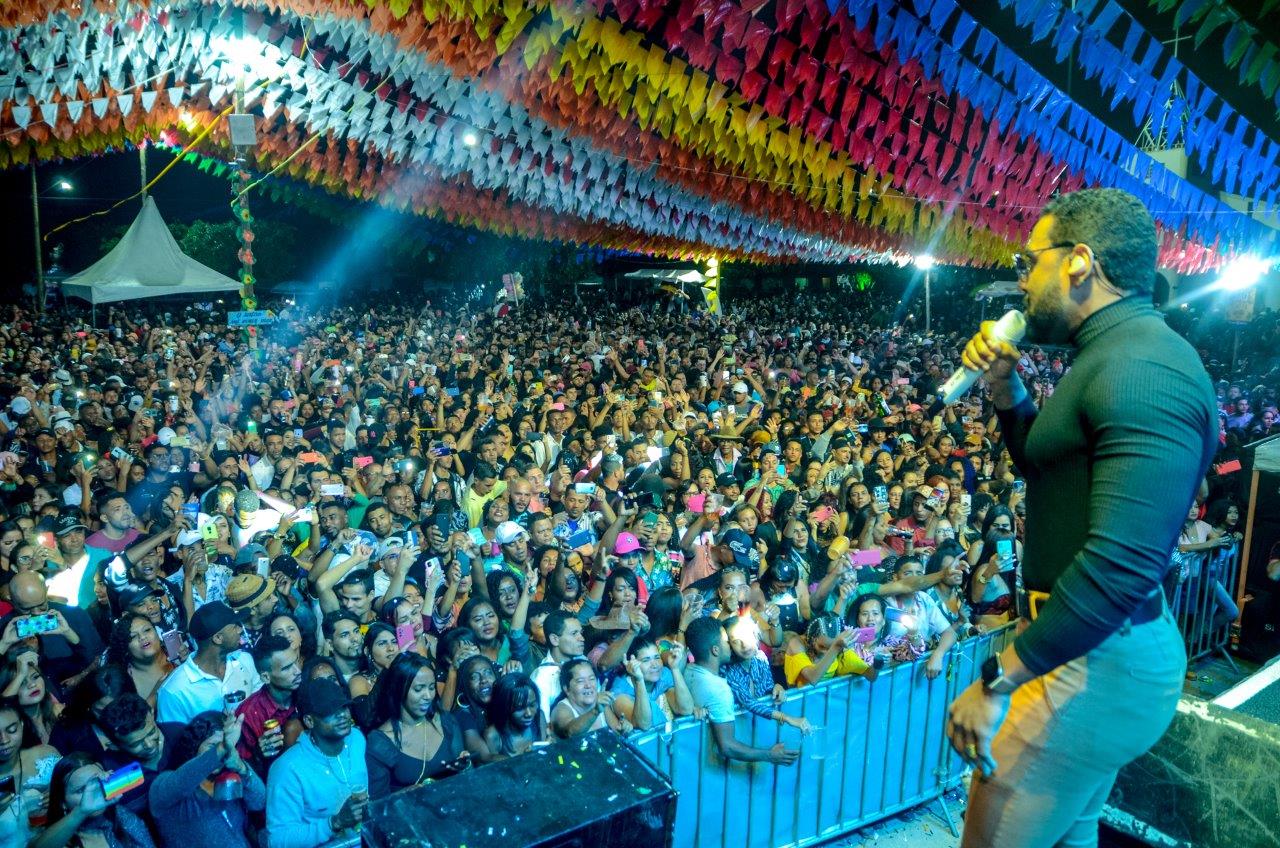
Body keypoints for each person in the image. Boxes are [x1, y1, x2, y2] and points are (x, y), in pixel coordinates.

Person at [946, 188, 1218, 847]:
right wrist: (1005, 385)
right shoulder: (1110, 353)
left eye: (1028, 260)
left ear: (1078, 262)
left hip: (1091, 660)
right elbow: (1051, 470)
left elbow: (1122, 566)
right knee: (1073, 833)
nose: (1021, 278)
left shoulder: (1144, 369)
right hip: (1087, 650)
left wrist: (999, 680)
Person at [265, 676, 369, 848]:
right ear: (309, 721)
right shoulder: (287, 769)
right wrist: (334, 823)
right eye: (330, 712)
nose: (342, 715)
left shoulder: (356, 739)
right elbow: (277, 841)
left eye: (344, 707)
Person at [681, 617, 798, 765]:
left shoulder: (689, 669)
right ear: (715, 649)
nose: (731, 646)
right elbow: (727, 746)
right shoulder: (720, 688)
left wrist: (776, 687)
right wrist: (770, 753)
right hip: (719, 764)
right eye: (729, 641)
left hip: (702, 760)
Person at [147, 711, 266, 848]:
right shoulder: (162, 786)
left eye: (229, 746)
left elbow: (259, 802)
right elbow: (184, 778)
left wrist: (241, 768)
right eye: (212, 746)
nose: (225, 752)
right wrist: (221, 748)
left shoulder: (229, 777)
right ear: (194, 745)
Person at [365, 652, 465, 796]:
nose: (428, 696)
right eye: (419, 689)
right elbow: (378, 801)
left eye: (431, 687)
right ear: (398, 689)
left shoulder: (446, 722)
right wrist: (404, 794)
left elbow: (464, 777)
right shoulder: (381, 742)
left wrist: (466, 765)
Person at [156, 602, 260, 724]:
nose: (240, 629)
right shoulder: (173, 692)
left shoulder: (244, 659)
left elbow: (261, 703)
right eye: (234, 627)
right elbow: (174, 735)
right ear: (218, 638)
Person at [32, 751, 156, 848]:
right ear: (62, 802)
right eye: (81, 790)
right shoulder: (57, 839)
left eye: (97, 783)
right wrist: (81, 811)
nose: (92, 793)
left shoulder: (121, 815)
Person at [235, 635, 302, 779]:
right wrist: (258, 755)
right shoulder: (248, 715)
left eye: (296, 661)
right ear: (265, 677)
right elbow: (240, 771)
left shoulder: (307, 690)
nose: (297, 671)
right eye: (287, 668)